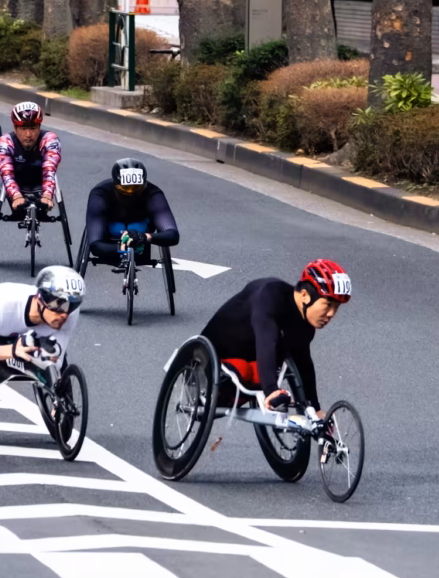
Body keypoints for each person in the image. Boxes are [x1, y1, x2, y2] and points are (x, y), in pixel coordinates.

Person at [202, 260, 352, 417]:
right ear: (305, 296)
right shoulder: (269, 297)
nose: (331, 314)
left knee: (281, 360)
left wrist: (315, 408)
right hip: (214, 355)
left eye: (337, 307)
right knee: (247, 371)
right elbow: (267, 342)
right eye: (328, 305)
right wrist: (271, 390)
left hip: (250, 356)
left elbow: (304, 364)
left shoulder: (305, 325)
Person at [84, 158, 179, 267]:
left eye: (136, 188)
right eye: (125, 189)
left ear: (144, 185)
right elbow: (95, 246)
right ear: (115, 185)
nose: (131, 193)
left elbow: (173, 235)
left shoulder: (153, 194)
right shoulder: (100, 194)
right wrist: (124, 248)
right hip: (110, 233)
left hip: (141, 230)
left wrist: (144, 237)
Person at [0, 102, 62, 218]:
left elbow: (50, 170)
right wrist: (16, 196)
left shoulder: (50, 140)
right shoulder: (4, 143)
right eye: (23, 128)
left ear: (39, 127)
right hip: (16, 189)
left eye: (33, 128)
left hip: (42, 190)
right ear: (15, 128)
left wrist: (47, 195)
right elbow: (6, 173)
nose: (28, 134)